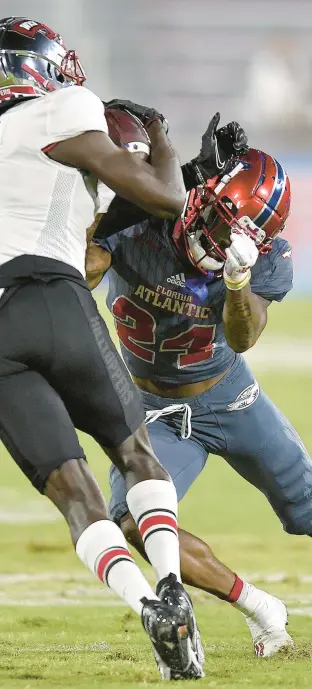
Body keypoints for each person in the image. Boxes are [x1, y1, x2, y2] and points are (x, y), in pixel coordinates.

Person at [0, 15, 229, 680]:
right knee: (135, 455)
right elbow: (161, 198)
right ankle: (171, 583)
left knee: (73, 495)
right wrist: (159, 138)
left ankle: (147, 608)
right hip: (52, 294)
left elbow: (90, 208)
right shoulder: (62, 107)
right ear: (40, 68)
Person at [88, 133, 309, 658]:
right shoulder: (145, 212)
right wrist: (97, 214)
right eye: (215, 224)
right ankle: (261, 608)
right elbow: (83, 266)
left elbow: (243, 336)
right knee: (136, 525)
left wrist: (237, 282)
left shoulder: (266, 257)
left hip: (230, 396)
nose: (214, 243)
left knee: (307, 510)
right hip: (151, 408)